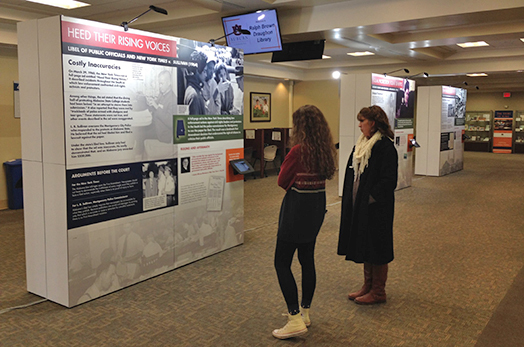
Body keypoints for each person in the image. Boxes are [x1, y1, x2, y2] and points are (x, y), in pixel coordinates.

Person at [272, 105, 337, 339]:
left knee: (282, 263)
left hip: (296, 211)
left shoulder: (298, 151)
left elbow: (282, 180)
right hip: (316, 210)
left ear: (300, 126)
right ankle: (305, 312)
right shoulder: (324, 149)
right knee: (307, 260)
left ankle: (294, 318)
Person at [338, 105, 398, 305]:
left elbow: (389, 180)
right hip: (362, 206)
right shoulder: (362, 144)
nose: (359, 125)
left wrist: (370, 198)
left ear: (373, 123)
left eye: (362, 121)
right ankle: (368, 286)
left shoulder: (384, 146)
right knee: (366, 243)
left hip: (377, 208)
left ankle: (378, 291)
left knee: (378, 246)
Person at [146, 70, 176, 143]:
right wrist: (150, 103)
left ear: (169, 83)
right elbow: (155, 107)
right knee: (140, 131)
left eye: (162, 84)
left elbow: (171, 122)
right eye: (159, 84)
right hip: (155, 127)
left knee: (140, 135)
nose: (160, 86)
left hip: (162, 134)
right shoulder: (162, 94)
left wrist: (156, 106)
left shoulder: (173, 99)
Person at [184, 50, 207, 115]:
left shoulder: (194, 90)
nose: (206, 75)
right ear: (197, 70)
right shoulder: (194, 95)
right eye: (204, 71)